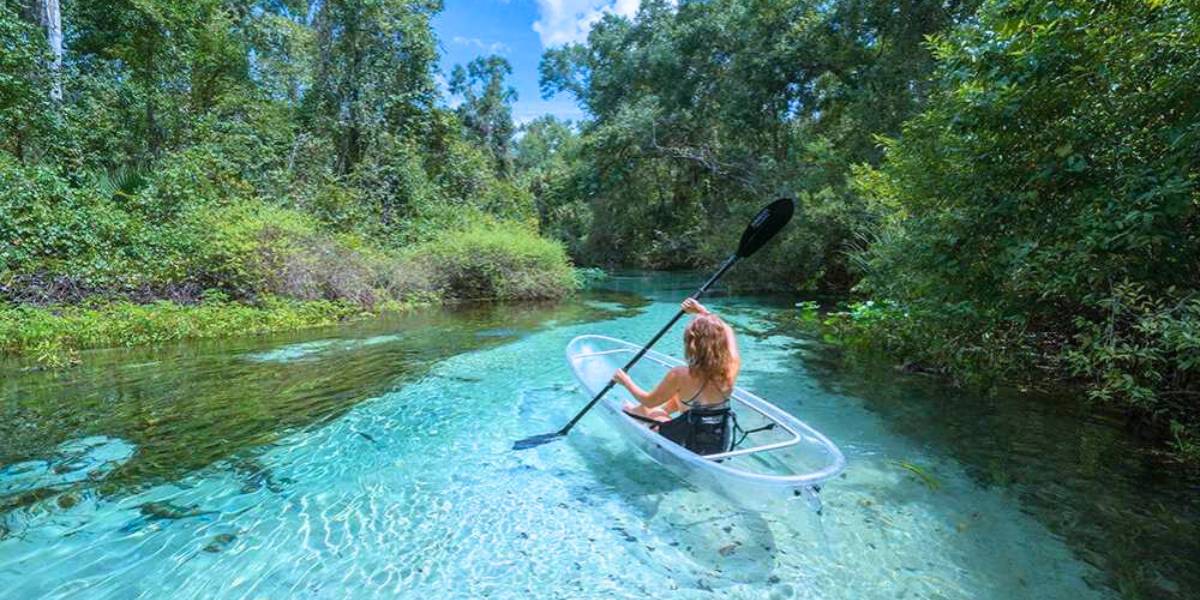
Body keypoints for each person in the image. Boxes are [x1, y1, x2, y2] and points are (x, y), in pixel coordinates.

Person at [611, 298, 740, 454]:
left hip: (687, 443)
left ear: (691, 344)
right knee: (681, 397)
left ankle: (636, 413)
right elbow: (727, 331)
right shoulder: (731, 366)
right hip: (718, 442)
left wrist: (625, 381)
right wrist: (703, 312)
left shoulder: (681, 374)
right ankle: (647, 412)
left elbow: (649, 401)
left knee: (646, 408)